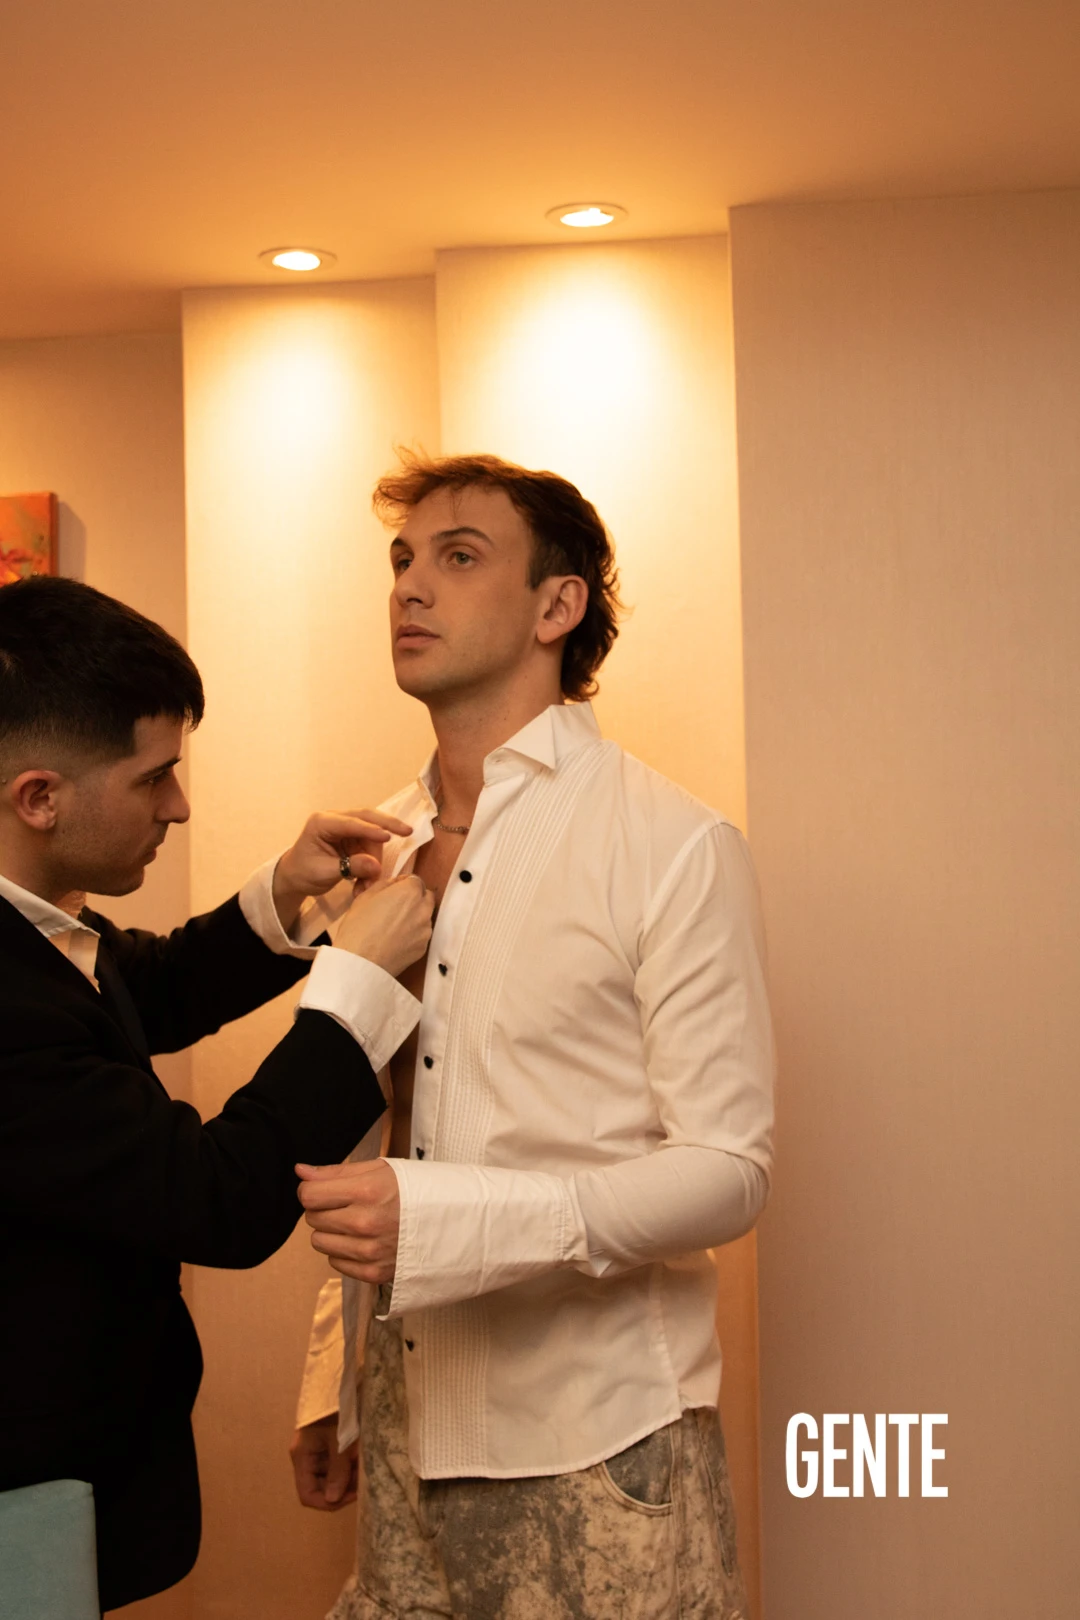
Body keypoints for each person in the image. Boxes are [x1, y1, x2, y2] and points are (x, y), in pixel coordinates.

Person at [288, 454, 775, 1620]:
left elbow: (729, 1171)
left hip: (597, 1436)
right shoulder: (375, 848)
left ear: (558, 606)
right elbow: (382, 1138)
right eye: (403, 560)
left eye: (459, 557)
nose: (410, 588)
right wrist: (331, 1378)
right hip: (401, 1414)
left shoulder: (673, 843)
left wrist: (457, 1221)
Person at [0, 575, 434, 1613]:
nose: (179, 806)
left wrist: (290, 894)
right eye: (155, 778)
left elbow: (136, 987)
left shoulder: (37, 928)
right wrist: (354, 989)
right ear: (40, 798)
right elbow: (214, 1197)